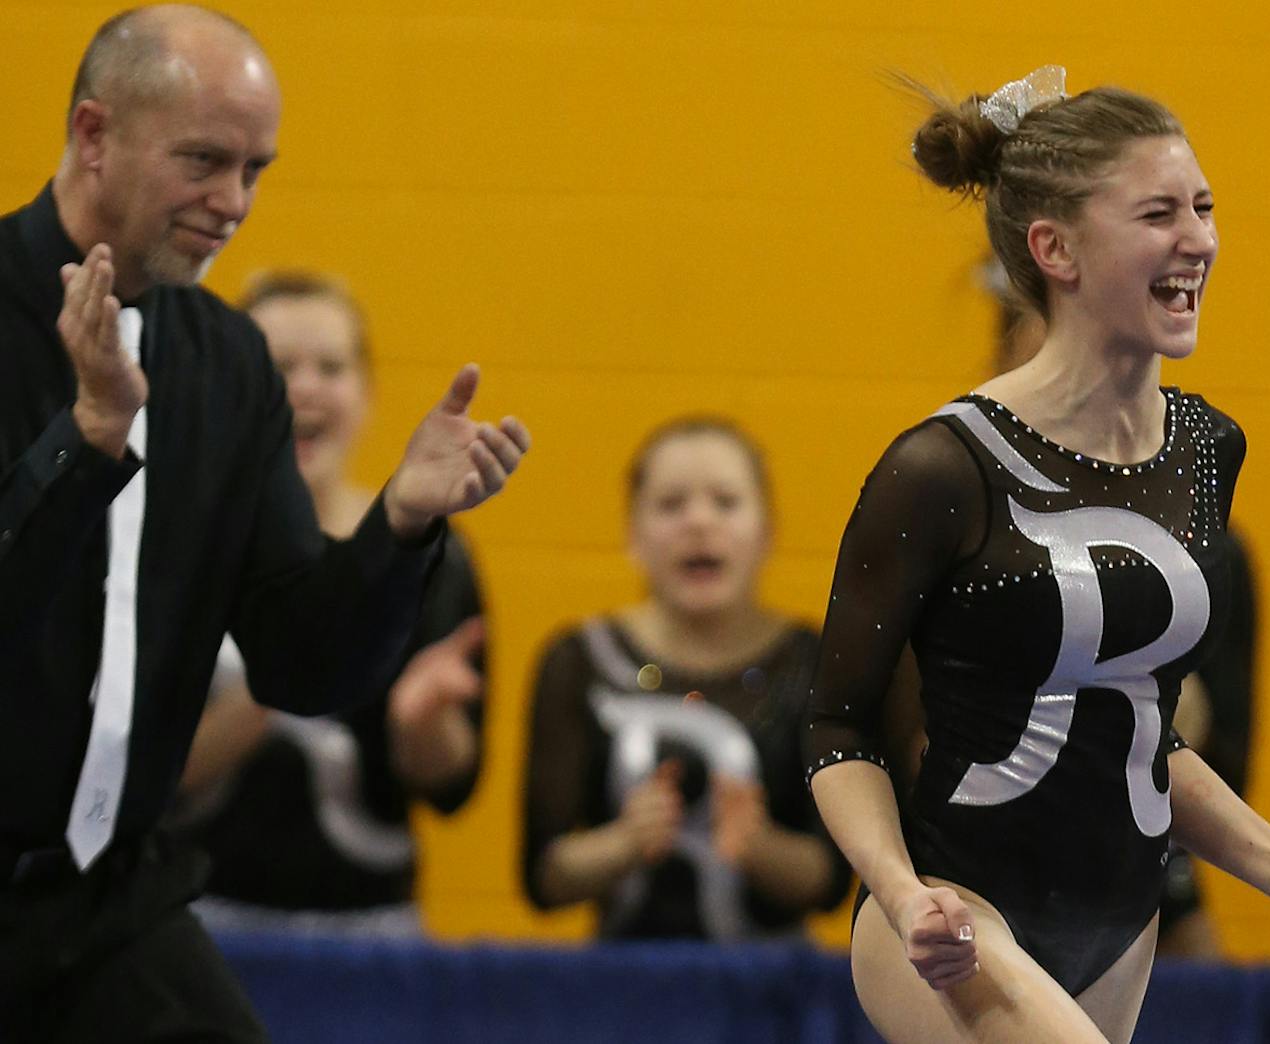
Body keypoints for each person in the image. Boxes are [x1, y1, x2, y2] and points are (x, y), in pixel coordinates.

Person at [803, 66, 1270, 1044]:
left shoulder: (1206, 451)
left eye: (1205, 208)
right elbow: (836, 725)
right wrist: (901, 891)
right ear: (1057, 249)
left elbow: (1141, 731)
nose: (1199, 240)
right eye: (1160, 213)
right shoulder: (942, 466)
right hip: (960, 919)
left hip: (1120, 921)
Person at [0, 7, 530, 1041]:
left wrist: (398, 529)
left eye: (256, 169)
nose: (233, 202)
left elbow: (301, 665)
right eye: (204, 160)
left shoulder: (230, 363)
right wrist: (91, 436)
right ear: (93, 133)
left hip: (108, 901)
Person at [171, 271, 488, 938]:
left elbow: (452, 788)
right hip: (195, 924)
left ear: (367, 394)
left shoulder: (428, 549)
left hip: (370, 929)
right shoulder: (179, 546)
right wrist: (281, 676)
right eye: (281, 366)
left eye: (331, 367)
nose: (306, 386)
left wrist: (420, 724)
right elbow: (137, 781)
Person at [979, 254, 1261, 959]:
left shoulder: (1206, 537)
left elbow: (1227, 762)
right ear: (1010, 357)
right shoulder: (963, 514)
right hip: (992, 878)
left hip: (1153, 883)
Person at [523, 417, 850, 939]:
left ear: (767, 532)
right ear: (632, 535)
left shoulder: (813, 662)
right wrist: (624, 842)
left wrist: (759, 845)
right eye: (671, 504)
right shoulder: (578, 660)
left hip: (775, 991)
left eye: (725, 501)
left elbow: (834, 881)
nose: (699, 522)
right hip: (629, 988)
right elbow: (542, 878)